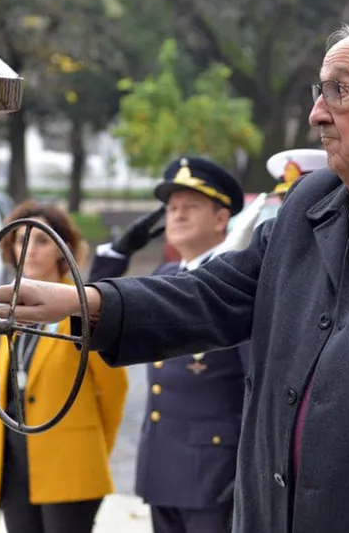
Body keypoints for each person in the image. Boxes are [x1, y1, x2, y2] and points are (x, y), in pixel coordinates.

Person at [0, 19, 349, 533]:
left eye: (340, 90)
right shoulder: (314, 201)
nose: (317, 112)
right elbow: (214, 293)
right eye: (319, 90)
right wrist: (83, 300)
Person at [89, 156, 249, 533]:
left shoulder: (235, 283)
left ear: (221, 218)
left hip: (214, 473)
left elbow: (255, 382)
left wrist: (244, 469)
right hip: (161, 468)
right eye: (172, 207)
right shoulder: (166, 276)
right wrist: (117, 252)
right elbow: (91, 312)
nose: (177, 215)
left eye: (191, 206)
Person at [0, 200, 129, 533]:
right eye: (22, 240)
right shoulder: (10, 312)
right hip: (14, 466)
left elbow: (114, 390)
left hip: (70, 464)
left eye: (41, 240)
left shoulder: (82, 306)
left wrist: (90, 449)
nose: (30, 249)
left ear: (63, 248)